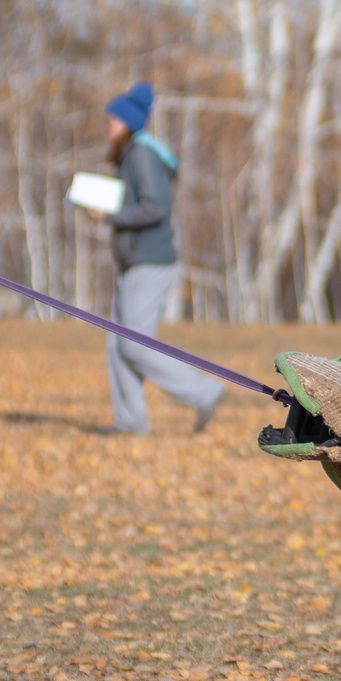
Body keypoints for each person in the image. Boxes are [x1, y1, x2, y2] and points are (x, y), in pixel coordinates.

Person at [96, 82, 223, 435]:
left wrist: (110, 215)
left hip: (150, 262)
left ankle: (204, 392)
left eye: (112, 120)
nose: (108, 125)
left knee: (135, 345)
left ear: (127, 122)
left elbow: (156, 207)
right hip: (133, 263)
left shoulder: (142, 155)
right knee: (117, 346)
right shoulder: (130, 154)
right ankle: (130, 422)